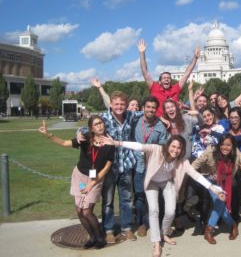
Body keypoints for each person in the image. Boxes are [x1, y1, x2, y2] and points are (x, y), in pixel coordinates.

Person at [101, 134, 225, 257]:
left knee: (171, 211)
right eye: (173, 146)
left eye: (179, 148)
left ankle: (163, 233)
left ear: (182, 150)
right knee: (154, 210)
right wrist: (116, 143)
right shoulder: (157, 149)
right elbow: (139, 146)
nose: (175, 150)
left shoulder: (182, 161)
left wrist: (213, 189)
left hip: (167, 182)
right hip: (152, 183)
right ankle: (156, 243)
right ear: (168, 145)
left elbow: (196, 175)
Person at [38, 116, 114, 249]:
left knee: (87, 211)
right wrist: (48, 134)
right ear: (91, 128)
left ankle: (100, 237)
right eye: (96, 124)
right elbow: (64, 143)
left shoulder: (110, 143)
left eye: (101, 123)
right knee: (79, 210)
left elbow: (107, 167)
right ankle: (92, 237)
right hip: (79, 177)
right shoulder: (85, 139)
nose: (99, 126)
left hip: (95, 179)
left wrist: (91, 184)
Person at [86, 88, 143, 244]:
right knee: (108, 200)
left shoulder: (131, 115)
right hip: (109, 167)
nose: (119, 106)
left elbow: (149, 114)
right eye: (116, 104)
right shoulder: (104, 118)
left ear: (126, 105)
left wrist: (163, 118)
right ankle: (109, 230)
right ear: (110, 104)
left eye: (122, 104)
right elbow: (88, 126)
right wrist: (79, 133)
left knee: (126, 199)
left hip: (127, 164)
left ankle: (126, 228)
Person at [131, 96, 168, 237]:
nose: (151, 110)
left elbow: (163, 147)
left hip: (153, 168)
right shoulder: (135, 121)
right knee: (140, 196)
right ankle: (142, 223)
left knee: (155, 196)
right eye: (148, 107)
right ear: (143, 108)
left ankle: (155, 223)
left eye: (153, 107)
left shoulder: (160, 126)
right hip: (138, 166)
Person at [137, 39, 200, 117]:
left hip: (174, 122)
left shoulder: (175, 88)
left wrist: (195, 58)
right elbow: (145, 71)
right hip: (159, 122)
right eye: (164, 78)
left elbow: (187, 73)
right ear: (159, 81)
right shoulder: (154, 87)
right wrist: (142, 53)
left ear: (171, 80)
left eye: (168, 78)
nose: (166, 79)